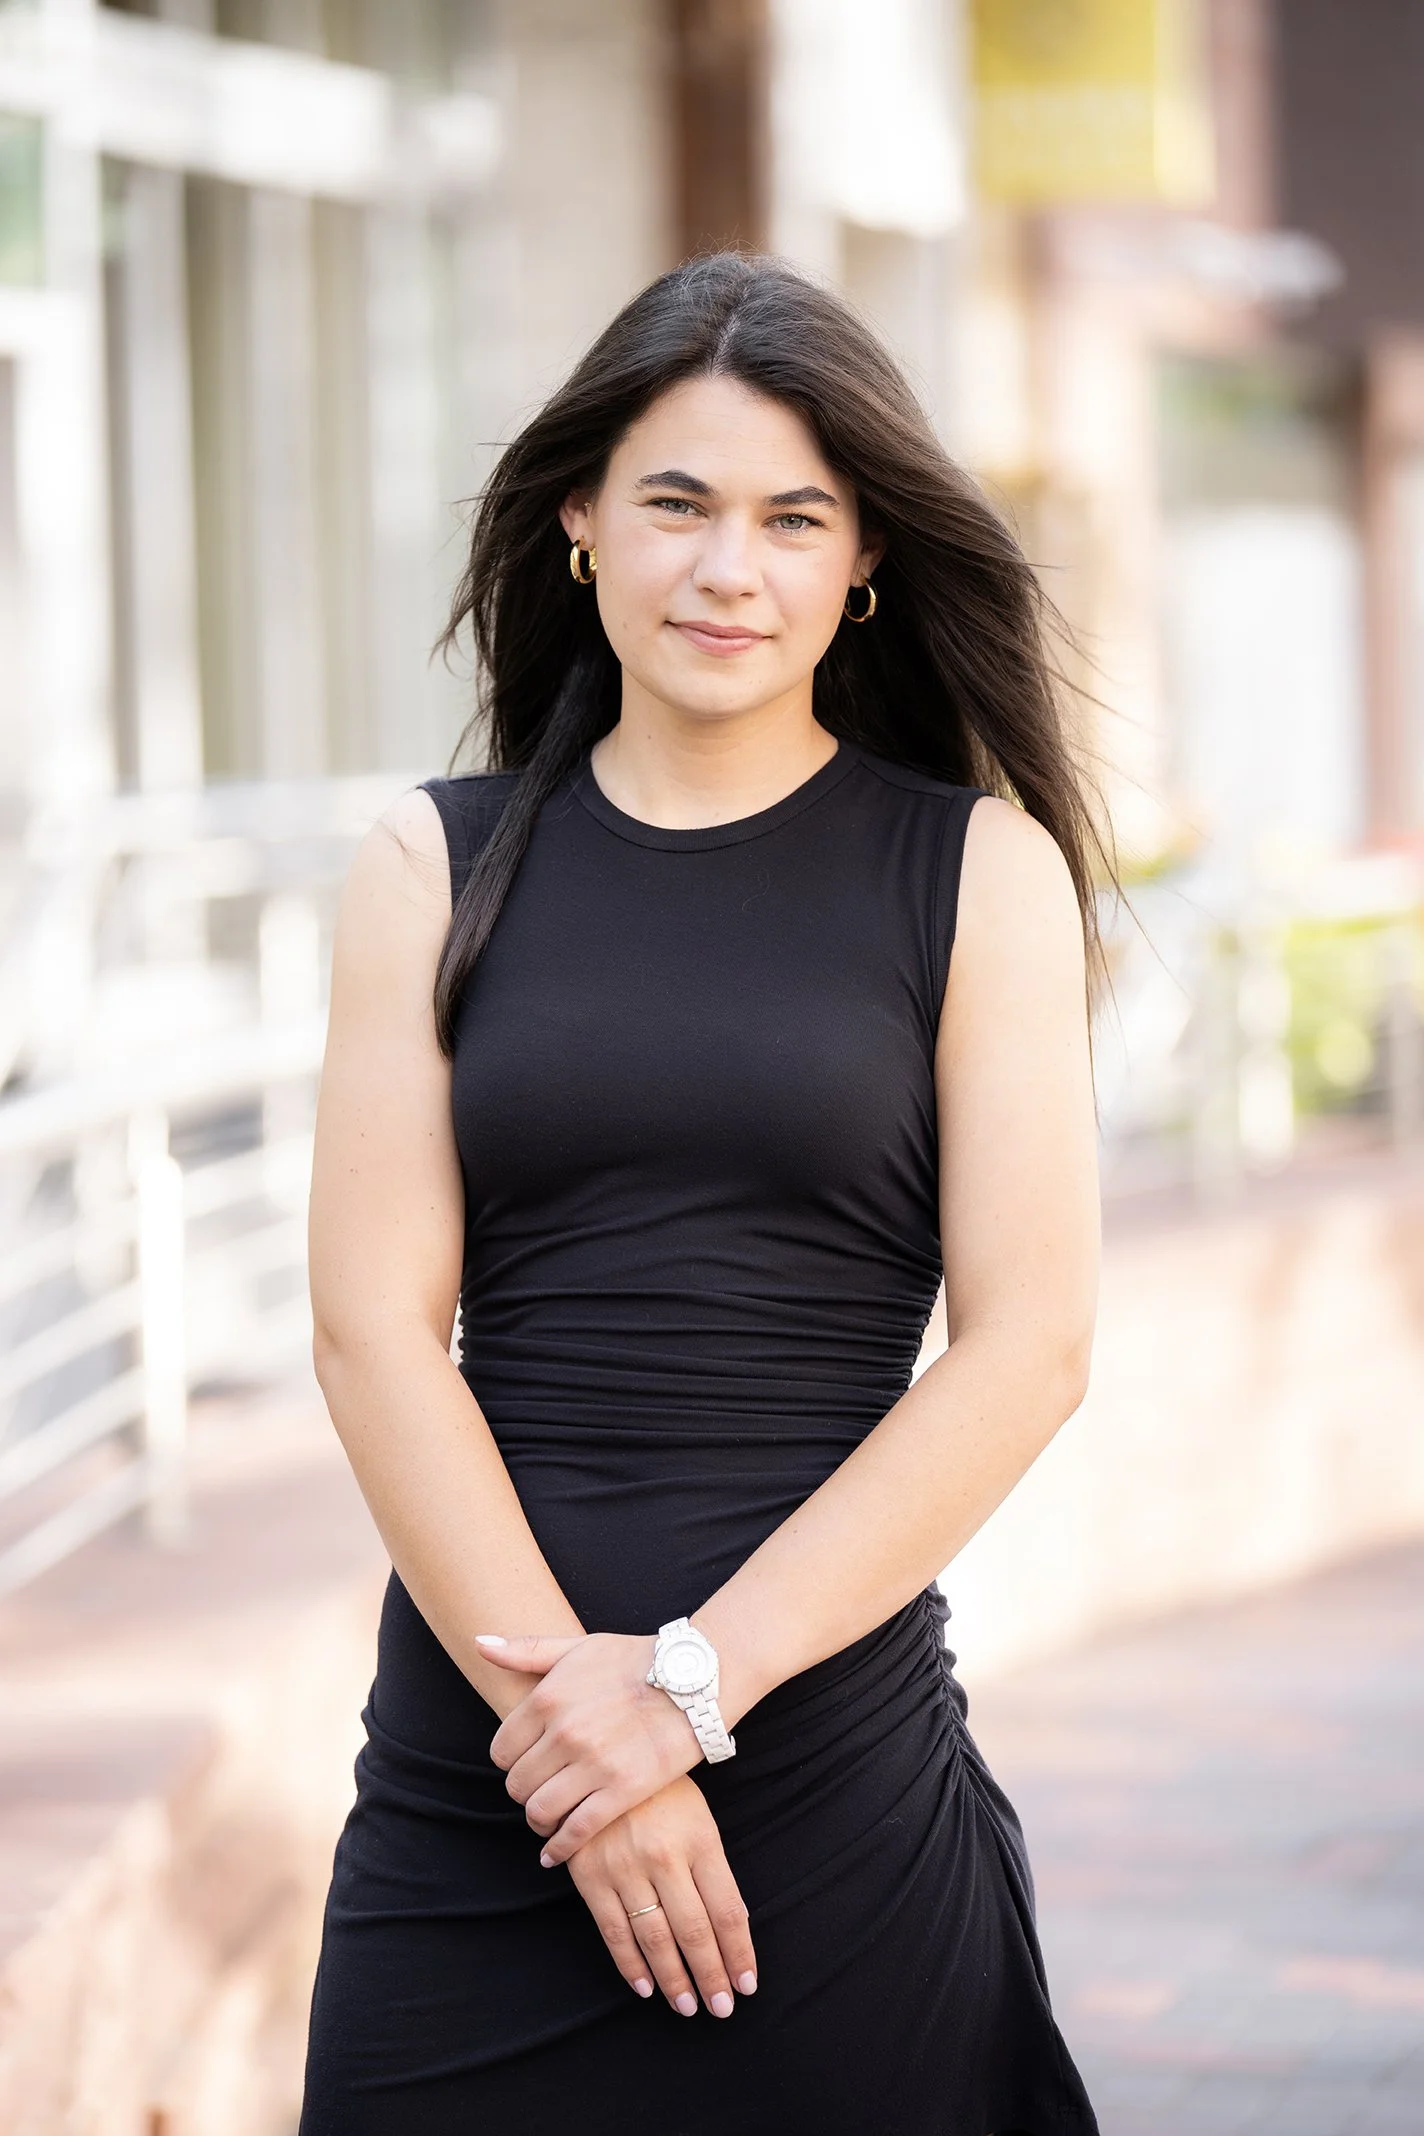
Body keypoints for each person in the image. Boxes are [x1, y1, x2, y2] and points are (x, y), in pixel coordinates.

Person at [299, 252, 1106, 2135]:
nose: (726, 568)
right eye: (675, 502)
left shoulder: (977, 876)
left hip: (821, 1773)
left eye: (791, 518)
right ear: (580, 520)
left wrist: (683, 1691)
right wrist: (579, 1743)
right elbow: (370, 1331)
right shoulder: (435, 863)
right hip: (480, 1780)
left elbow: (1031, 1346)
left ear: (866, 561)